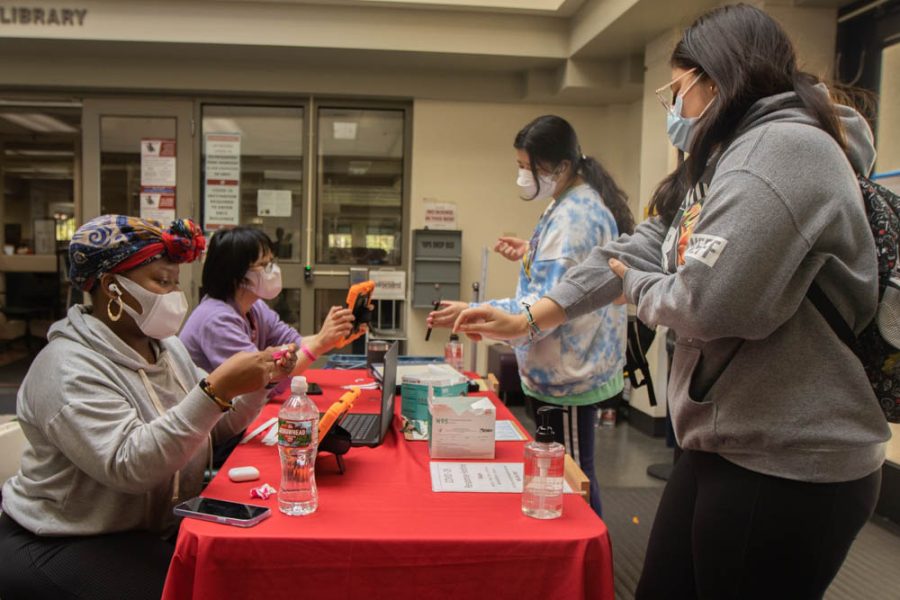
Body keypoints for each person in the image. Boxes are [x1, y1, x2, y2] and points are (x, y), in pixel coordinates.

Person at [453, 5, 891, 598]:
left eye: (677, 88)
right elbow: (644, 244)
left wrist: (636, 286)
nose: (673, 107)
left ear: (717, 78)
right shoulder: (726, 157)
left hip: (789, 458)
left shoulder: (782, 155)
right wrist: (529, 315)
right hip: (726, 439)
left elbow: (706, 304)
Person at [0, 216, 295, 600]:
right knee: (195, 590)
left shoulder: (166, 349)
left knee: (240, 573)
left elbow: (215, 427)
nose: (174, 296)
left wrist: (259, 384)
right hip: (61, 538)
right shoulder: (66, 368)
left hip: (144, 529)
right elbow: (129, 466)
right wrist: (214, 390)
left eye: (175, 282)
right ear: (112, 288)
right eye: (160, 282)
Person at [428, 115, 634, 517]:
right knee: (565, 471)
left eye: (528, 167)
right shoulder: (573, 201)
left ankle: (588, 556)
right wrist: (531, 251)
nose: (522, 176)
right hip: (563, 364)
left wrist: (475, 311)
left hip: (569, 372)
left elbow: (546, 306)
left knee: (573, 476)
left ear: (559, 166)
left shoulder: (574, 220)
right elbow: (567, 275)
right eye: (520, 166)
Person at [180, 226, 356, 376]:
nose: (273, 270)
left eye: (271, 262)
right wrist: (320, 343)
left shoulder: (254, 307)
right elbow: (259, 377)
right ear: (236, 274)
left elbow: (292, 342)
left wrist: (331, 335)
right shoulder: (216, 319)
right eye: (264, 265)